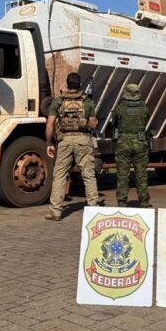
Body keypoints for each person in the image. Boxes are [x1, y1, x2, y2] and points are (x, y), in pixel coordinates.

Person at [45, 72, 100, 221]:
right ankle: (94, 208)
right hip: (83, 140)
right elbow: (93, 124)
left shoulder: (58, 101)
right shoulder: (87, 101)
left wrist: (49, 143)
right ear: (79, 84)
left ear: (67, 84)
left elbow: (50, 124)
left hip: (64, 141)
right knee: (88, 175)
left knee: (59, 176)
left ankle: (55, 212)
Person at [111, 83, 152, 208]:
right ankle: (144, 202)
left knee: (123, 175)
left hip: (123, 143)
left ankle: (122, 202)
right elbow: (146, 120)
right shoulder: (144, 107)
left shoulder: (120, 108)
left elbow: (114, 122)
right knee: (141, 175)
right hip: (140, 143)